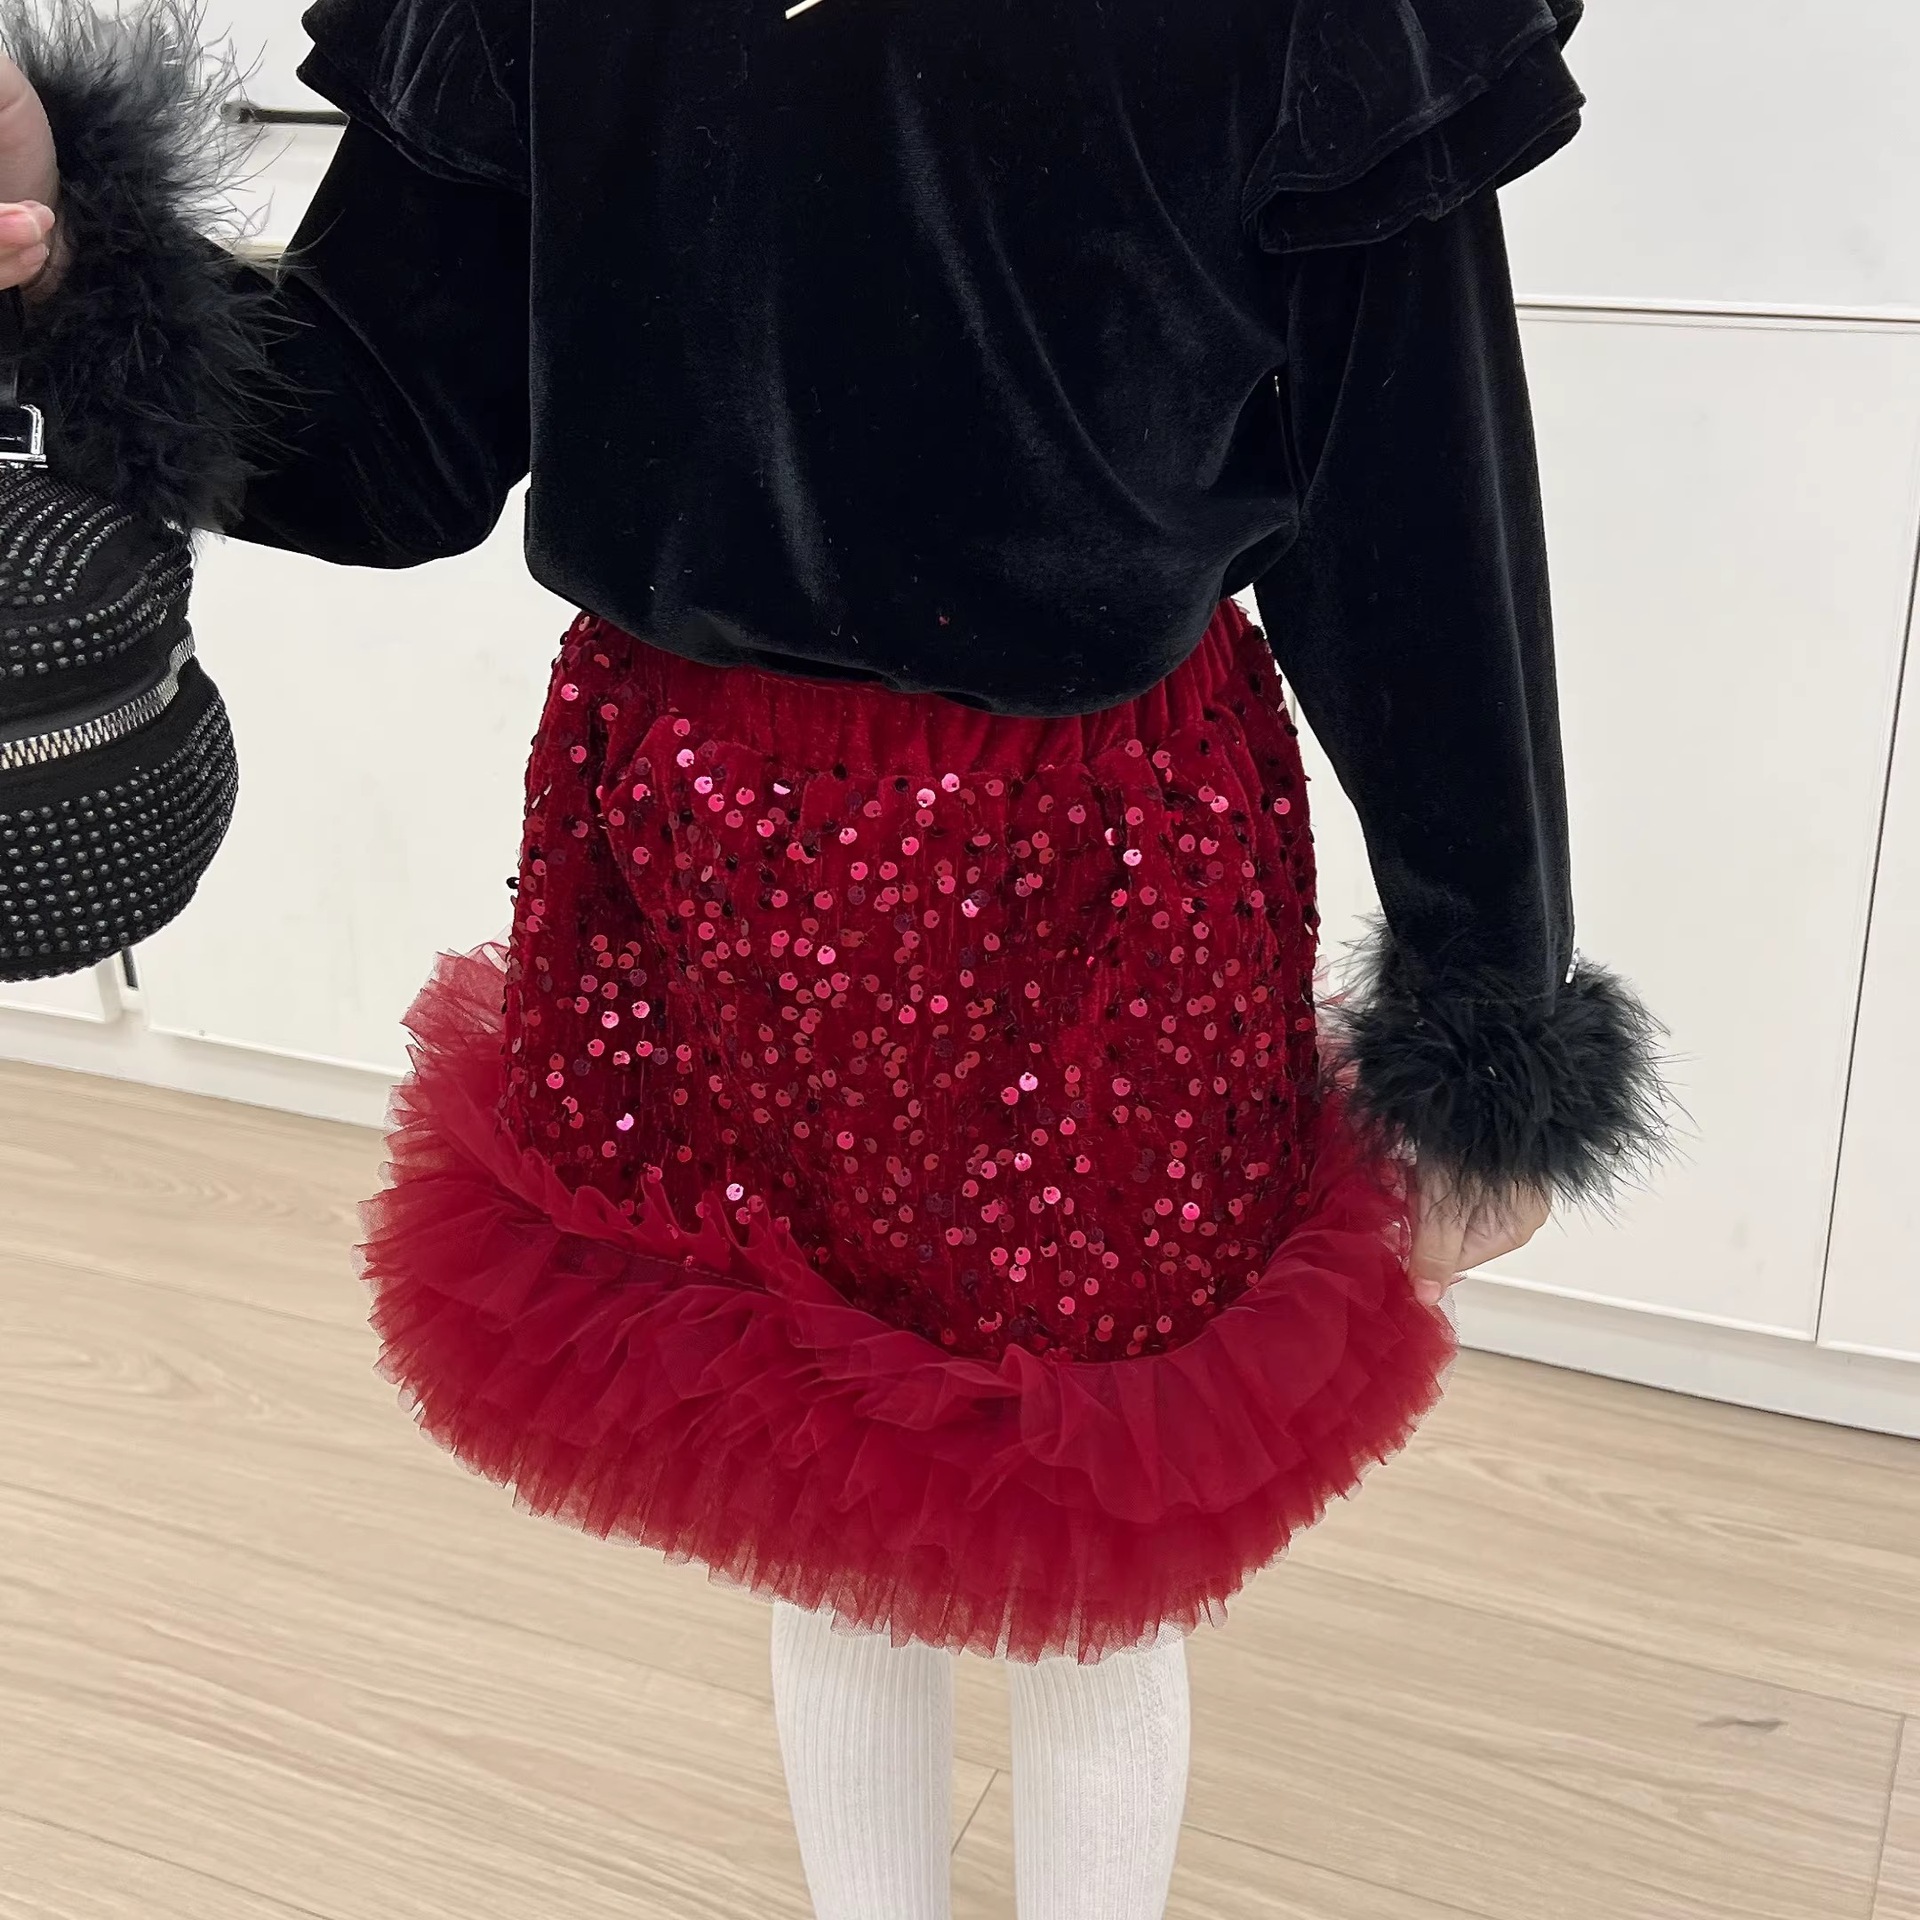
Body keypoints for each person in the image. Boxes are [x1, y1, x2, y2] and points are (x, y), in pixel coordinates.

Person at [0, 0, 1664, 1913]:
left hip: (1093, 890)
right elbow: (390, 429)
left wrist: (1492, 984)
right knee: (818, 1485)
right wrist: (74, 260)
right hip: (708, 865)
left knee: (1092, 1534)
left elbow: (1414, 510)